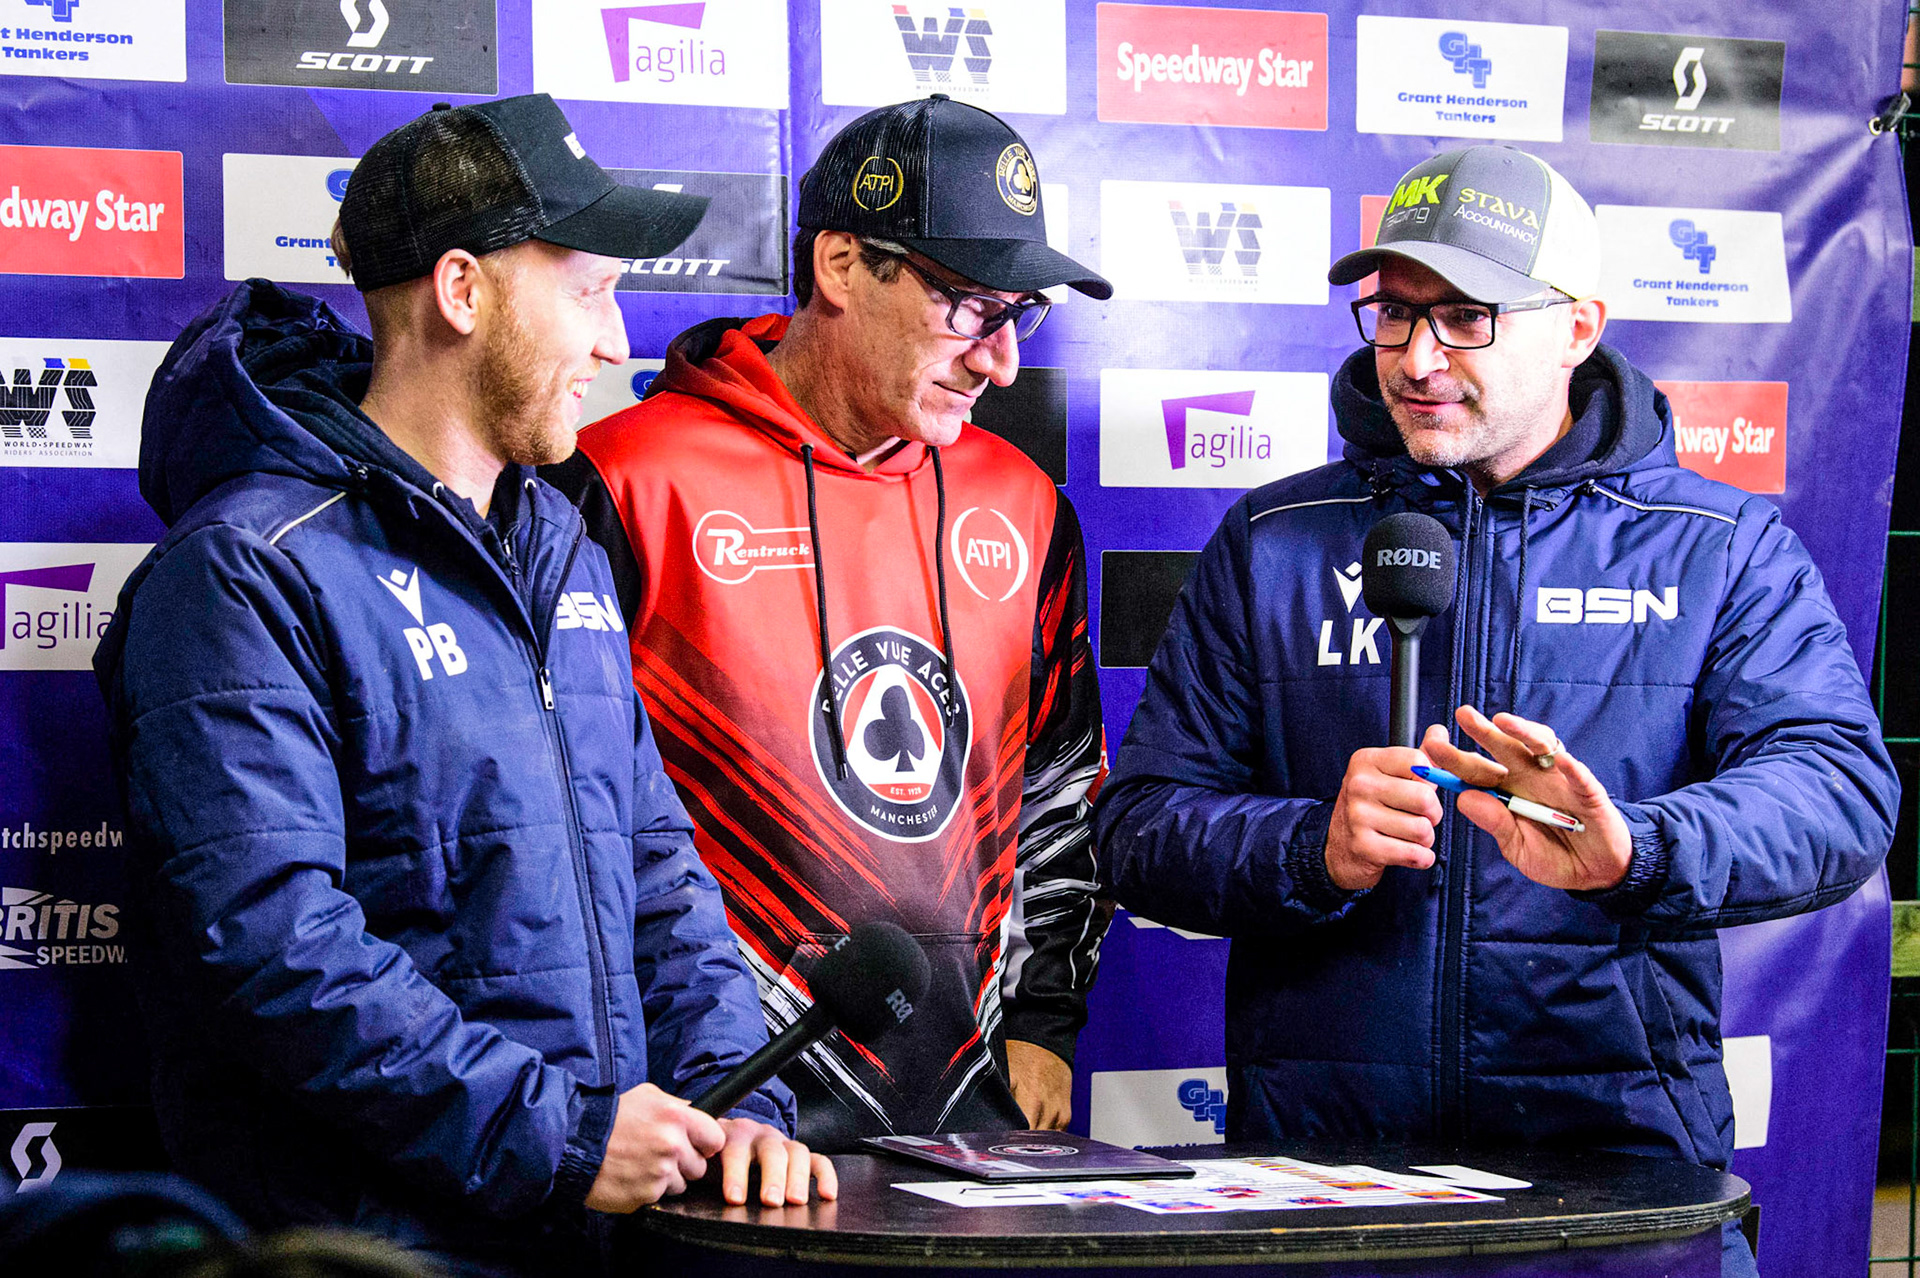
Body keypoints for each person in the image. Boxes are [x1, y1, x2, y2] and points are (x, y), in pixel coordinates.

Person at [1092, 145, 1898, 1277]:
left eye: (1467, 317)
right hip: (1325, 1194)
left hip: (1619, 1200)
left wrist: (1641, 848)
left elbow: (1841, 792)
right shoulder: (1276, 540)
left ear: (1577, 327)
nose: (1417, 358)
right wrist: (1310, 846)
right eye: (1394, 314)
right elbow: (1138, 830)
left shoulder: (1720, 548)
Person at [93, 94, 830, 1278]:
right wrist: (564, 1136)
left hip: (593, 1237)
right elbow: (270, 943)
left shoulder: (562, 548)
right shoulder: (245, 571)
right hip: (364, 1251)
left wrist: (739, 1109)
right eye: (588, 291)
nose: (615, 342)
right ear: (462, 292)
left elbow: (658, 874)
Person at [545, 95, 1112, 1149]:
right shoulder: (623, 480)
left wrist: (1043, 1019)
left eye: (1016, 313)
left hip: (971, 1113)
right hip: (710, 1110)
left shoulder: (1027, 505)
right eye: (969, 308)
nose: (1003, 363)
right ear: (842, 265)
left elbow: (1063, 782)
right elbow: (566, 825)